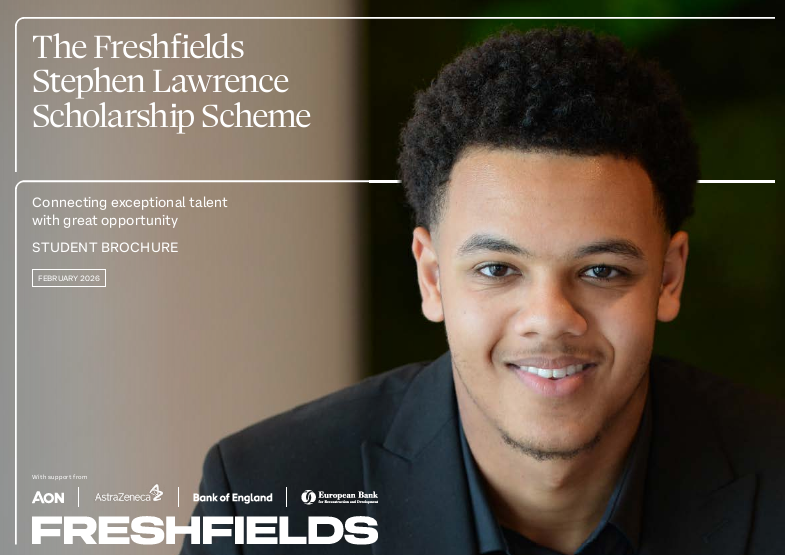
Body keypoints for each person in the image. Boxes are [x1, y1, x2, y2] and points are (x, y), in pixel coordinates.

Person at [181, 27, 784, 555]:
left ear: (670, 278)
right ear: (433, 277)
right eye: (497, 269)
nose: (549, 320)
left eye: (602, 270)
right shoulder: (264, 498)